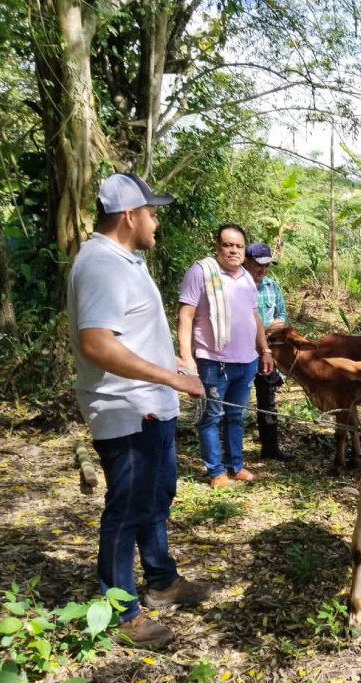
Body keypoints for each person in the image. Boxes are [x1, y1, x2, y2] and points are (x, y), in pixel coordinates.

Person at [68, 173, 211, 648]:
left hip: (151, 407)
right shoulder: (101, 264)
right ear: (128, 215)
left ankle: (161, 581)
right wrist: (172, 377)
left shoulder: (126, 260)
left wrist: (167, 359)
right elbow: (96, 344)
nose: (156, 223)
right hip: (127, 411)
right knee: (128, 509)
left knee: (156, 498)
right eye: (151, 213)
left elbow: (128, 334)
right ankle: (121, 608)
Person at [178, 224, 274, 489]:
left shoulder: (246, 276)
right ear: (217, 246)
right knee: (211, 416)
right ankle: (216, 471)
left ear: (245, 250)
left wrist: (264, 350)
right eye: (228, 245)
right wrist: (187, 358)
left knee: (236, 417)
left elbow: (254, 316)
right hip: (213, 361)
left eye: (239, 246)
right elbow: (186, 316)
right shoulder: (201, 272)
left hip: (246, 362)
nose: (233, 250)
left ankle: (236, 466)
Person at [244, 242, 293, 461]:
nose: (263, 270)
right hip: (241, 351)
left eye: (267, 265)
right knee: (236, 401)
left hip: (266, 352)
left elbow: (281, 317)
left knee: (268, 400)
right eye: (258, 265)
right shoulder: (236, 286)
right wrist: (262, 329)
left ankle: (270, 448)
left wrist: (263, 331)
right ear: (247, 262)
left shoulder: (272, 286)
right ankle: (233, 454)